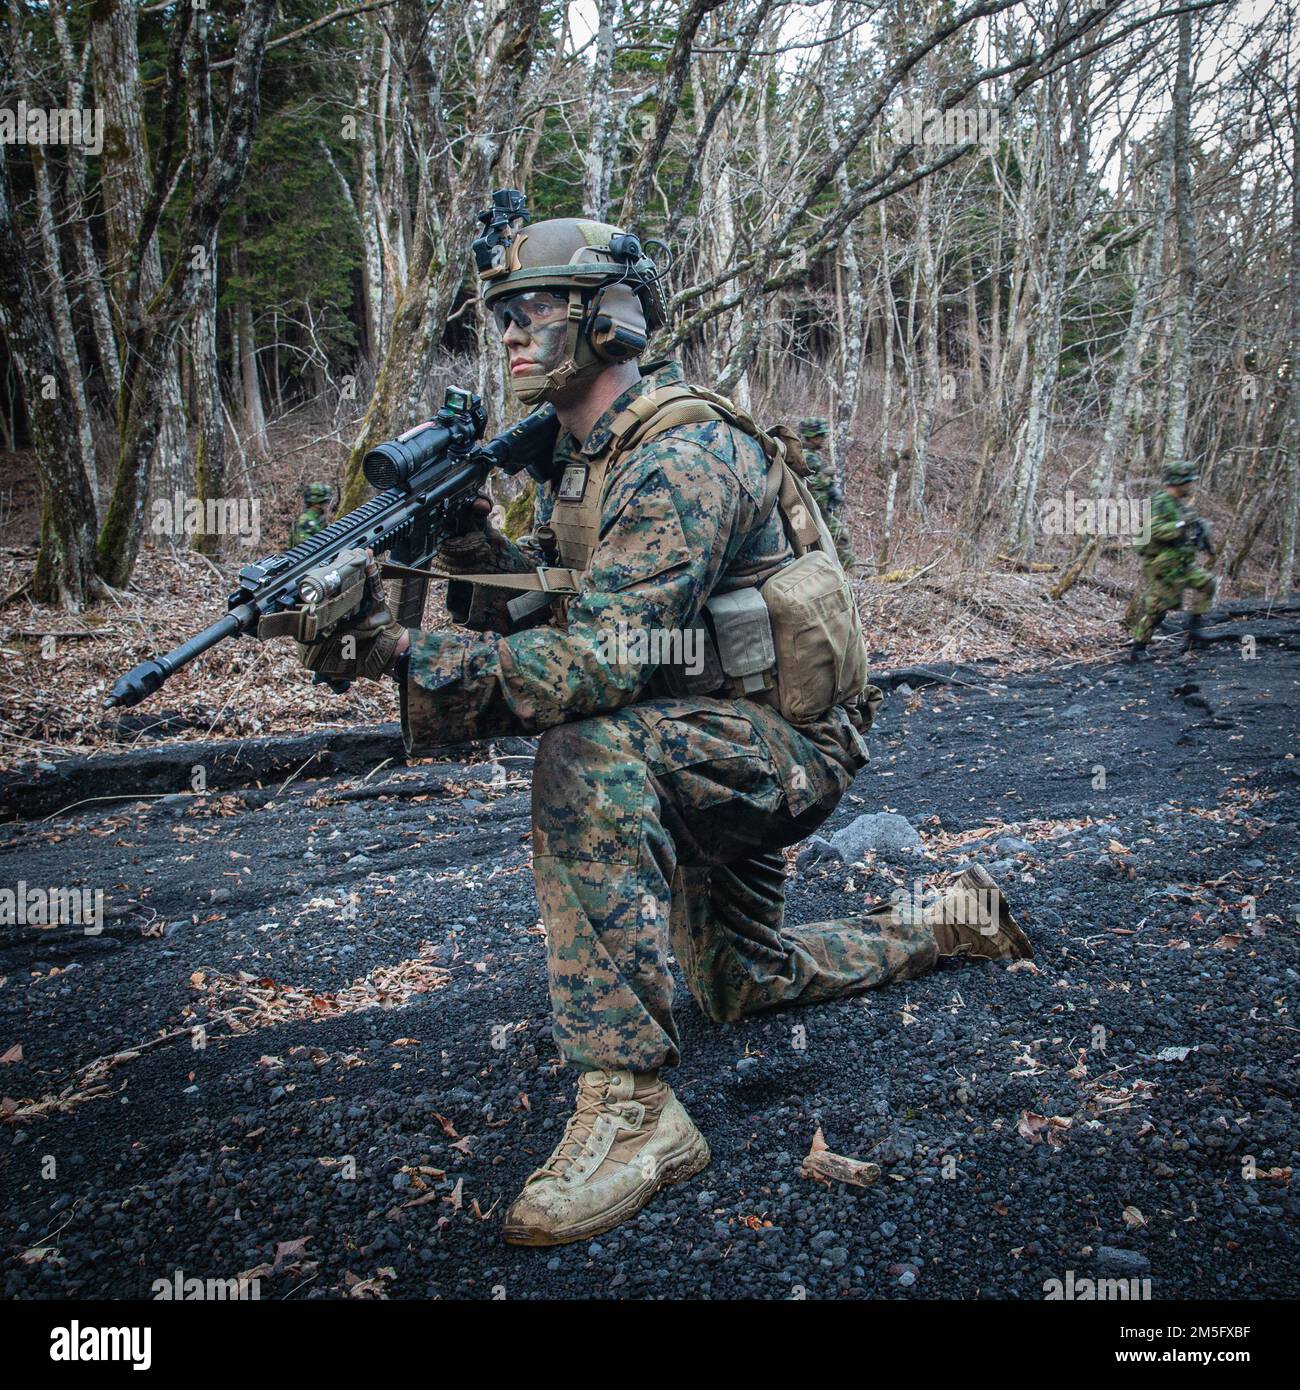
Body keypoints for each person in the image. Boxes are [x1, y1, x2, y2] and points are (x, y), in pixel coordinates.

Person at [284, 197, 1033, 1247]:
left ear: (614, 322)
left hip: (780, 751)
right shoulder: (583, 459)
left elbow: (599, 664)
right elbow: (558, 610)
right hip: (708, 733)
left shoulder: (682, 457)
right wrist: (447, 557)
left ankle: (634, 1111)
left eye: (535, 305)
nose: (508, 329)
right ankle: (947, 920)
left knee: (587, 752)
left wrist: (405, 653)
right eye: (501, 309)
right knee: (739, 984)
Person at [1128, 461, 1217, 660]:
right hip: (1163, 565)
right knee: (1158, 608)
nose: (1191, 486)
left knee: (1206, 584)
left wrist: (1201, 529)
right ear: (1178, 482)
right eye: (1188, 482)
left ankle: (1194, 633)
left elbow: (1191, 526)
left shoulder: (1180, 505)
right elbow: (1155, 530)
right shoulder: (1160, 502)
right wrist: (1182, 525)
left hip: (1182, 563)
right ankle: (1138, 648)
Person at [798, 417, 856, 571]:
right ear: (812, 436)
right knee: (839, 536)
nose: (823, 439)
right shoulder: (806, 456)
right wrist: (825, 475)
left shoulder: (810, 454)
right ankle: (851, 573)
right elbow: (804, 482)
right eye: (820, 436)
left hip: (820, 508)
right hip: (814, 508)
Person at [290, 482, 333, 547]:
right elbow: (306, 551)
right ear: (316, 504)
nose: (328, 505)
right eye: (325, 502)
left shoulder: (318, 518)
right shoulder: (305, 521)